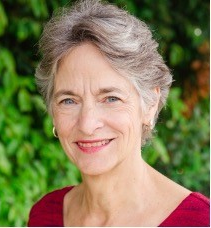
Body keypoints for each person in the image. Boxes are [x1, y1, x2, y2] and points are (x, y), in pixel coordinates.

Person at [28, 0, 210, 226]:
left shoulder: (198, 221)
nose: (87, 124)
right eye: (69, 100)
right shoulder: (44, 215)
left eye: (111, 98)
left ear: (150, 104)